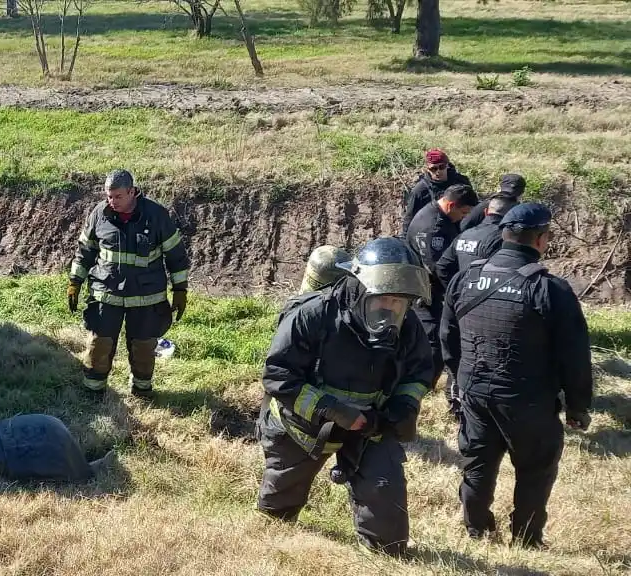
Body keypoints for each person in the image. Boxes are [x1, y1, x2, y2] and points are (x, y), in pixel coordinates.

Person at [255, 237, 435, 558]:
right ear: (358, 289)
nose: (391, 310)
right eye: (384, 299)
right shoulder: (311, 316)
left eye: (400, 302)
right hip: (302, 429)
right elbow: (278, 375)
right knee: (278, 508)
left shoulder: (407, 326)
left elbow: (419, 371)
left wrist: (403, 406)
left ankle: (379, 550)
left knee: (388, 528)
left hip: (370, 428)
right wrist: (332, 410)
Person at [440, 202, 594, 549]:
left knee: (477, 463)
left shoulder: (466, 278)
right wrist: (578, 406)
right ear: (540, 240)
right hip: (528, 399)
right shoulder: (550, 289)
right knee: (535, 469)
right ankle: (526, 539)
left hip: (474, 393)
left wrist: (459, 380)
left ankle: (476, 529)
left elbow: (447, 337)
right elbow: (575, 355)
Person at [67, 169, 191, 397]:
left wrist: (180, 289)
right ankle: (93, 392)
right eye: (108, 196)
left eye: (117, 197)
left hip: (147, 298)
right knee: (99, 344)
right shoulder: (98, 214)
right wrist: (75, 281)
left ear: (132, 192)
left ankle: (142, 391)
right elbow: (84, 252)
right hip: (106, 294)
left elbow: (176, 256)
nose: (111, 202)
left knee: (143, 347)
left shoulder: (157, 216)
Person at [405, 183, 478, 414]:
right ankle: (419, 390)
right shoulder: (433, 227)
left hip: (430, 290)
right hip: (425, 292)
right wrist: (456, 295)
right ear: (451, 204)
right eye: (463, 213)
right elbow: (437, 268)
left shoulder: (438, 215)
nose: (462, 219)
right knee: (434, 345)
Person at [436, 195, 518, 296]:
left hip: (462, 301)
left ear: (486, 212)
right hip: (485, 302)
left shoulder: (464, 234)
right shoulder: (504, 239)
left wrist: (456, 293)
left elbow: (442, 266)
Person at [401, 148, 473, 237]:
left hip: (461, 229)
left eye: (441, 167)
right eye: (433, 169)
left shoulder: (461, 181)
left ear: (447, 165)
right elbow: (409, 218)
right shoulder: (420, 191)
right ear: (427, 169)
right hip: (434, 233)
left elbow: (473, 205)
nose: (438, 171)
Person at [460, 173, 526, 232]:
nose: (507, 198)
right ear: (499, 189)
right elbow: (464, 226)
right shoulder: (486, 205)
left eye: (513, 196)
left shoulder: (521, 211)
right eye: (505, 194)